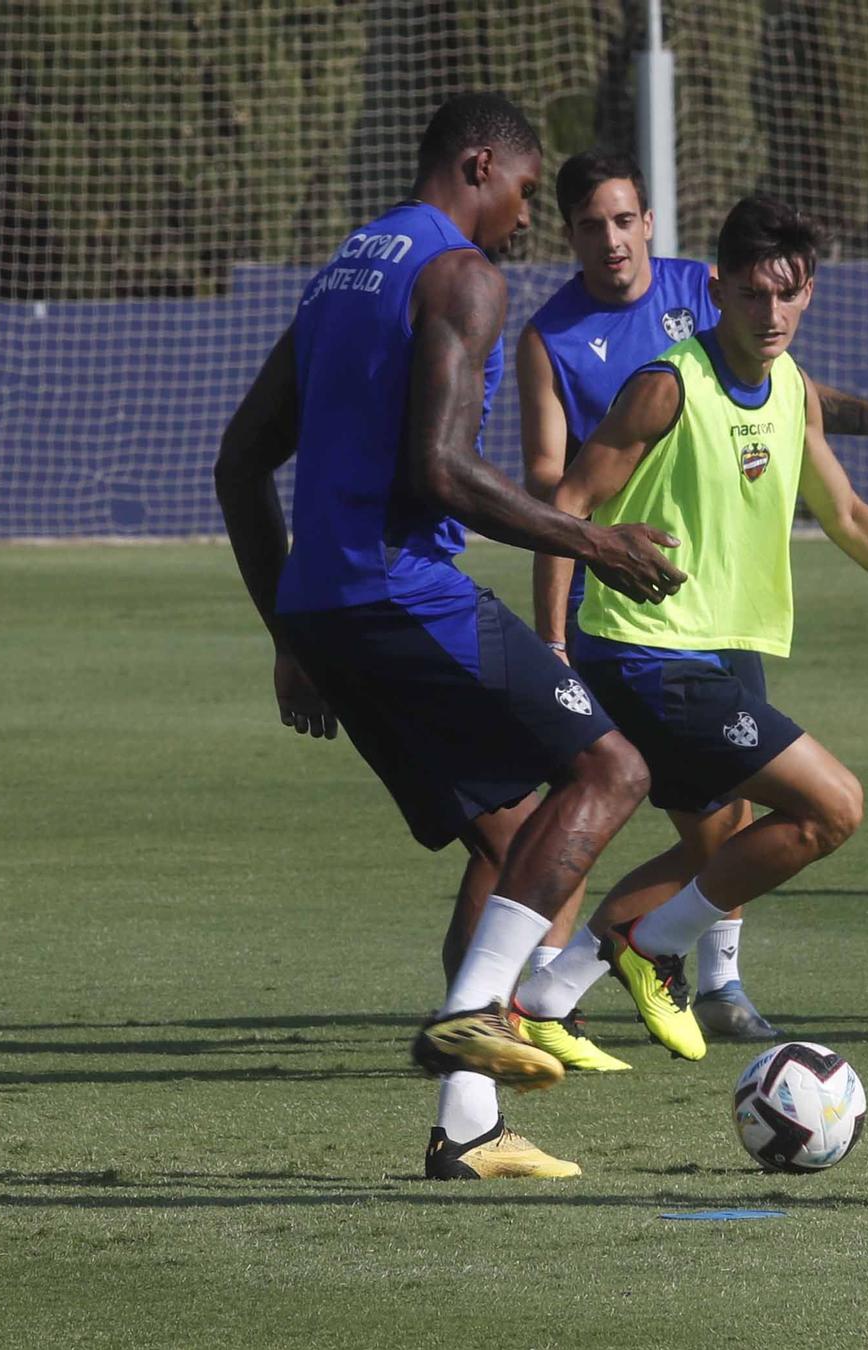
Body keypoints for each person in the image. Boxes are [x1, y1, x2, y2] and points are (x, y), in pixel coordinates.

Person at [212, 94, 685, 1181]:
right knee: (612, 770)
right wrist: (589, 539)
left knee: (514, 835)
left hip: (331, 613)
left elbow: (239, 461)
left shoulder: (345, 268)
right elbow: (439, 470)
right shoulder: (459, 275)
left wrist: (291, 628)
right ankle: (476, 1013)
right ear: (479, 165)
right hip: (403, 595)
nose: (524, 219)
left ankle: (467, 1125)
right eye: (523, 192)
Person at [456, 151, 868, 1057]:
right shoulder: (666, 383)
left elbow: (848, 516)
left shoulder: (793, 389)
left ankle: (549, 989)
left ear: (807, 293)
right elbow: (565, 504)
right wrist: (553, 645)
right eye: (754, 295)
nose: (772, 315)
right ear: (719, 287)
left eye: (790, 295)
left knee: (716, 842)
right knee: (832, 808)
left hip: (723, 647)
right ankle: (649, 950)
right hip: (649, 651)